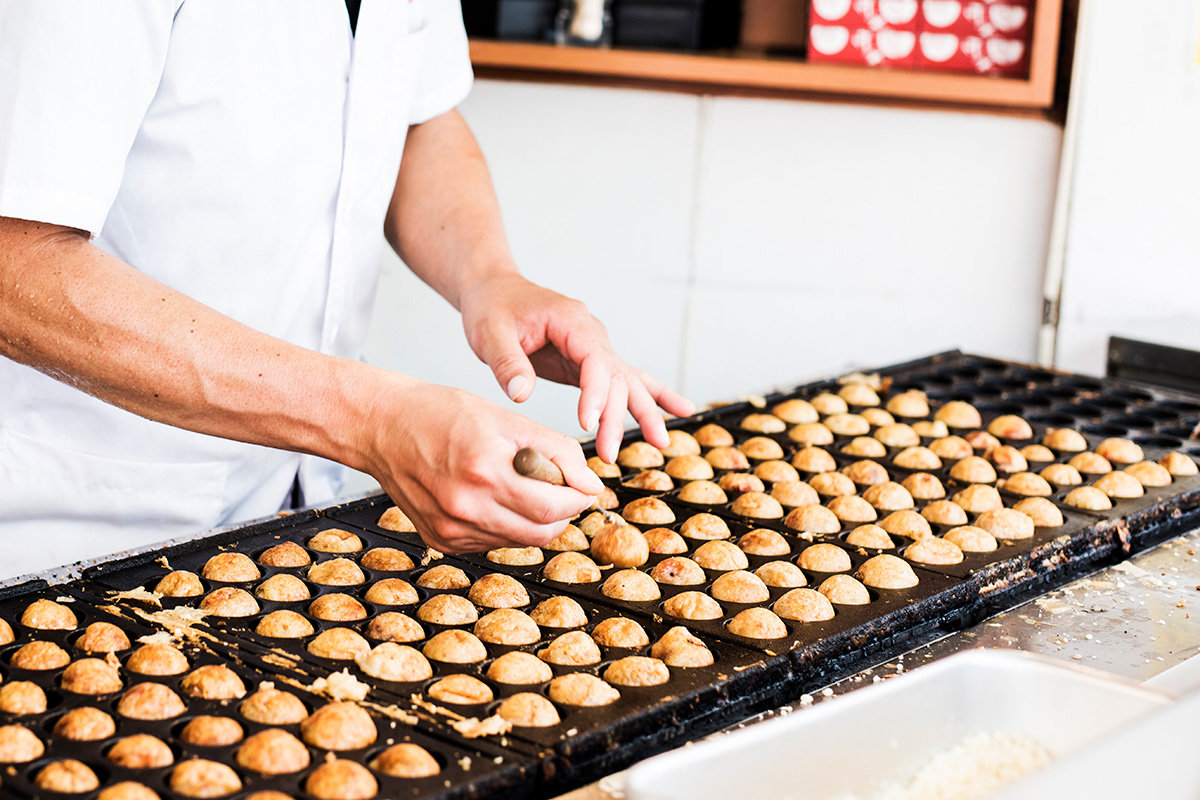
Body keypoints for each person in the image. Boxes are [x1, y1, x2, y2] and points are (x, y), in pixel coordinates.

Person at [0, 1, 692, 578]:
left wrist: (489, 276)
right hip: (80, 526)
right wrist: (370, 419)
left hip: (291, 514)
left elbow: (418, 115)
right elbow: (15, 264)